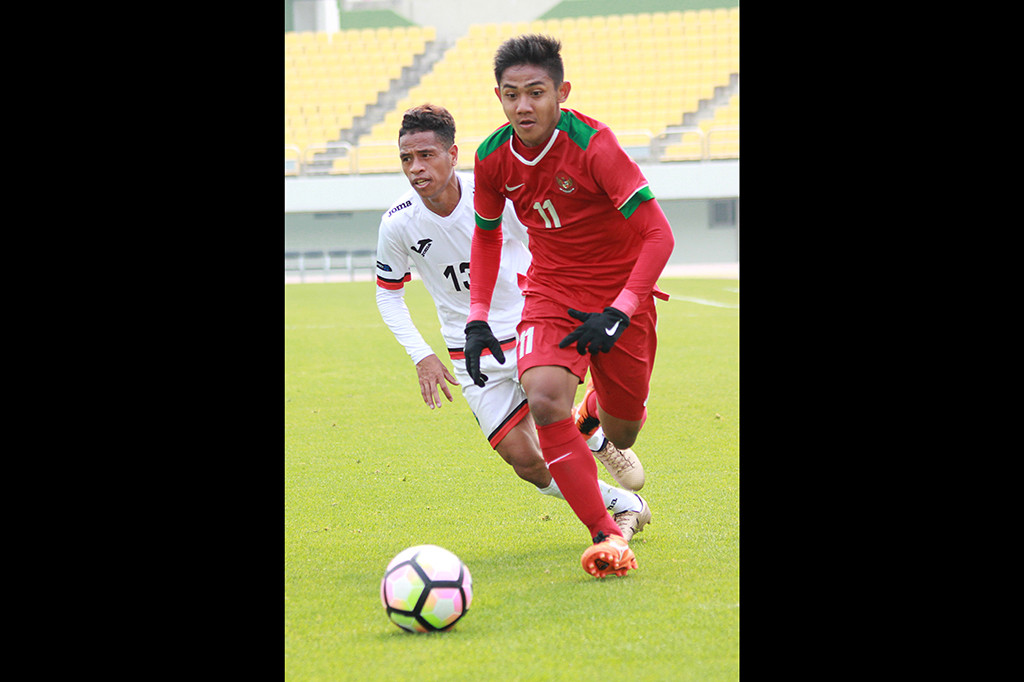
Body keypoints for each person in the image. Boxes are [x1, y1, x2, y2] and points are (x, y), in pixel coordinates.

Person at [374, 103, 651, 541]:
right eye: (407, 158)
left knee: (553, 411)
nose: (416, 168)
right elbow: (387, 295)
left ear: (453, 155)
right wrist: (422, 355)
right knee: (526, 462)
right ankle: (624, 504)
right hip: (470, 350)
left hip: (530, 328)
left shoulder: (496, 201)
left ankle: (593, 428)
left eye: (427, 155)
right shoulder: (397, 224)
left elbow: (548, 247)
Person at [464, 35, 675, 578]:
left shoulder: (594, 145)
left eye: (536, 92)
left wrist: (624, 308)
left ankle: (593, 416)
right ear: (498, 96)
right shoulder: (491, 158)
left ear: (562, 92)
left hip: (620, 298)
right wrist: (478, 316)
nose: (523, 106)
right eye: (511, 95)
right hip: (552, 292)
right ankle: (606, 534)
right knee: (543, 398)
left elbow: (658, 234)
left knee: (624, 431)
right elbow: (486, 237)